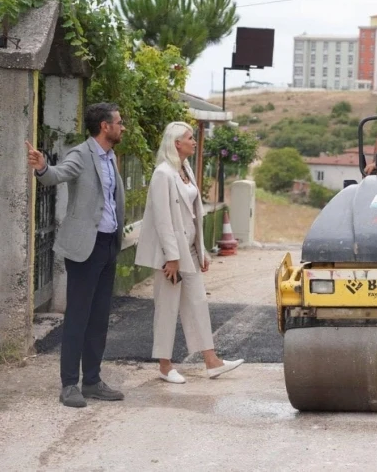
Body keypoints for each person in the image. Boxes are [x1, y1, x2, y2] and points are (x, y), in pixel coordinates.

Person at [26, 102, 127, 408]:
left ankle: (93, 381)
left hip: (109, 243)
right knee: (78, 317)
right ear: (104, 126)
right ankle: (69, 384)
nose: (123, 127)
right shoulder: (81, 154)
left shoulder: (111, 157)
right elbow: (57, 175)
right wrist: (42, 167)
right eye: (119, 122)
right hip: (86, 246)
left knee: (98, 318)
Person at [134, 121, 244, 384]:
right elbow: (162, 220)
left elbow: (195, 215)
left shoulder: (184, 170)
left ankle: (211, 361)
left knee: (197, 304)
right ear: (176, 143)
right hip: (171, 256)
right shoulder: (162, 174)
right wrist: (171, 258)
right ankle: (164, 365)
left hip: (190, 252)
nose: (195, 142)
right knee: (167, 308)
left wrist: (202, 250)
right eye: (190, 138)